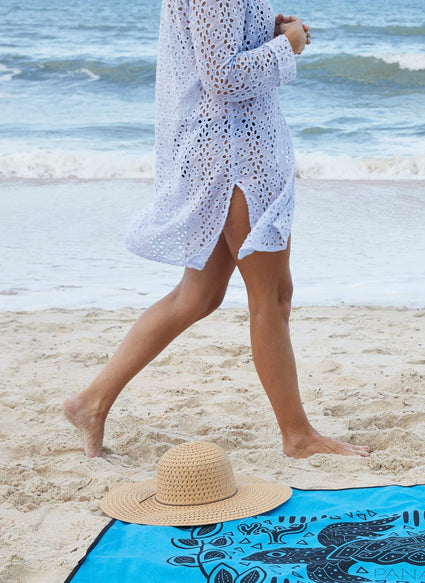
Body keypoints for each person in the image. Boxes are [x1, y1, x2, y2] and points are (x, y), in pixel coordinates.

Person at [63, 0, 368, 459]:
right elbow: (222, 77)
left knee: (199, 295)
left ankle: (90, 403)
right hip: (233, 153)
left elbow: (215, 43)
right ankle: (299, 436)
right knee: (272, 297)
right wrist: (286, 45)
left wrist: (269, 28)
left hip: (224, 148)